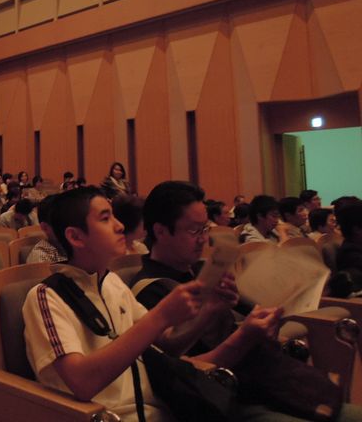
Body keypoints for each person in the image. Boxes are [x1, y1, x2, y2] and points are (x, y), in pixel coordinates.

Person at [131, 180, 362, 422]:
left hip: (262, 382)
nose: (203, 239)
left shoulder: (203, 270)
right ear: (160, 231)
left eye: (205, 229)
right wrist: (243, 333)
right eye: (194, 231)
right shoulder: (149, 290)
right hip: (222, 399)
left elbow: (250, 312)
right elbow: (181, 373)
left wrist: (270, 317)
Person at [22, 186, 211, 421]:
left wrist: (209, 310)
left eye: (114, 216)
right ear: (76, 237)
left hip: (162, 412)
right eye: (105, 218)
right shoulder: (46, 296)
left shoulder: (113, 282)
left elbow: (167, 345)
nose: (120, 225)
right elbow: (81, 382)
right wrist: (161, 315)